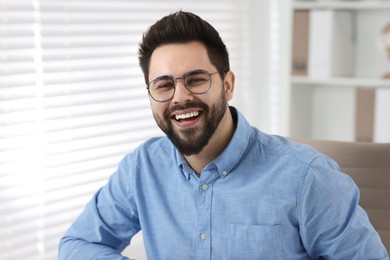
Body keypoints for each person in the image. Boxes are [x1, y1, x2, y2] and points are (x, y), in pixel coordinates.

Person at [58, 11, 389, 259]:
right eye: (164, 85)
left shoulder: (308, 178)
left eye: (196, 79)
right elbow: (77, 245)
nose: (180, 97)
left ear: (227, 85)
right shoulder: (142, 168)